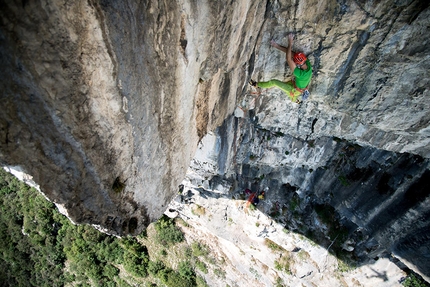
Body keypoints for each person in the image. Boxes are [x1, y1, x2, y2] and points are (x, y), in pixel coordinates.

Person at [250, 34, 312, 103]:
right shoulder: (308, 64)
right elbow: (291, 54)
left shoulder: (301, 72)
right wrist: (276, 46)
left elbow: (289, 59)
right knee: (292, 94)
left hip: (293, 89)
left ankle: (256, 84)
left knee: (274, 82)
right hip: (297, 86)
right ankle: (296, 100)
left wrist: (290, 42)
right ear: (304, 59)